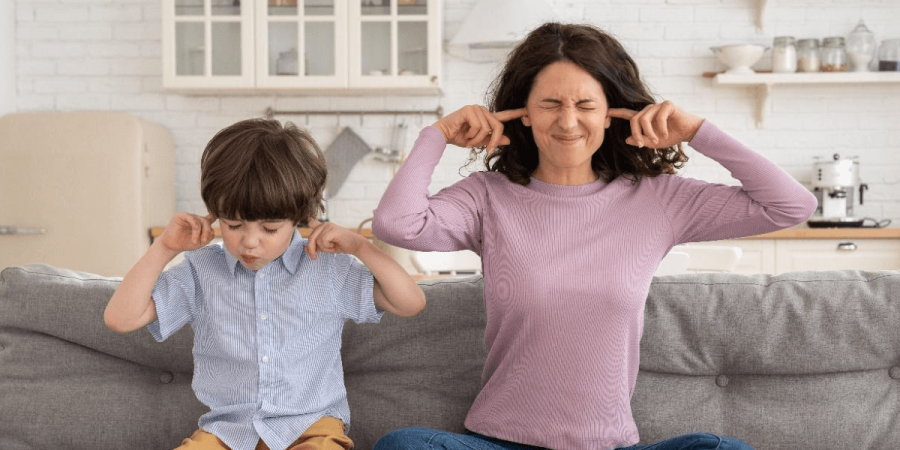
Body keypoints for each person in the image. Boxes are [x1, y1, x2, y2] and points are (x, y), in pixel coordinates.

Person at [371, 22, 817, 450]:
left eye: (585, 105)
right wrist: (438, 135)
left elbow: (790, 206)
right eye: (550, 104)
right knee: (403, 444)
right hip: (500, 442)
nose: (568, 122)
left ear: (611, 114)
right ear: (523, 113)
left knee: (725, 448)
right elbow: (397, 224)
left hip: (609, 445)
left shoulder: (657, 200)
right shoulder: (487, 198)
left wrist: (698, 132)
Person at [103, 118, 426, 450]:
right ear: (215, 215)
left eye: (270, 229)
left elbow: (410, 303)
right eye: (233, 225)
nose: (250, 242)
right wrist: (164, 248)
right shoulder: (201, 272)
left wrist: (361, 247)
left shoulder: (328, 270)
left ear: (298, 218)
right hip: (229, 432)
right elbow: (120, 318)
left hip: (312, 428)